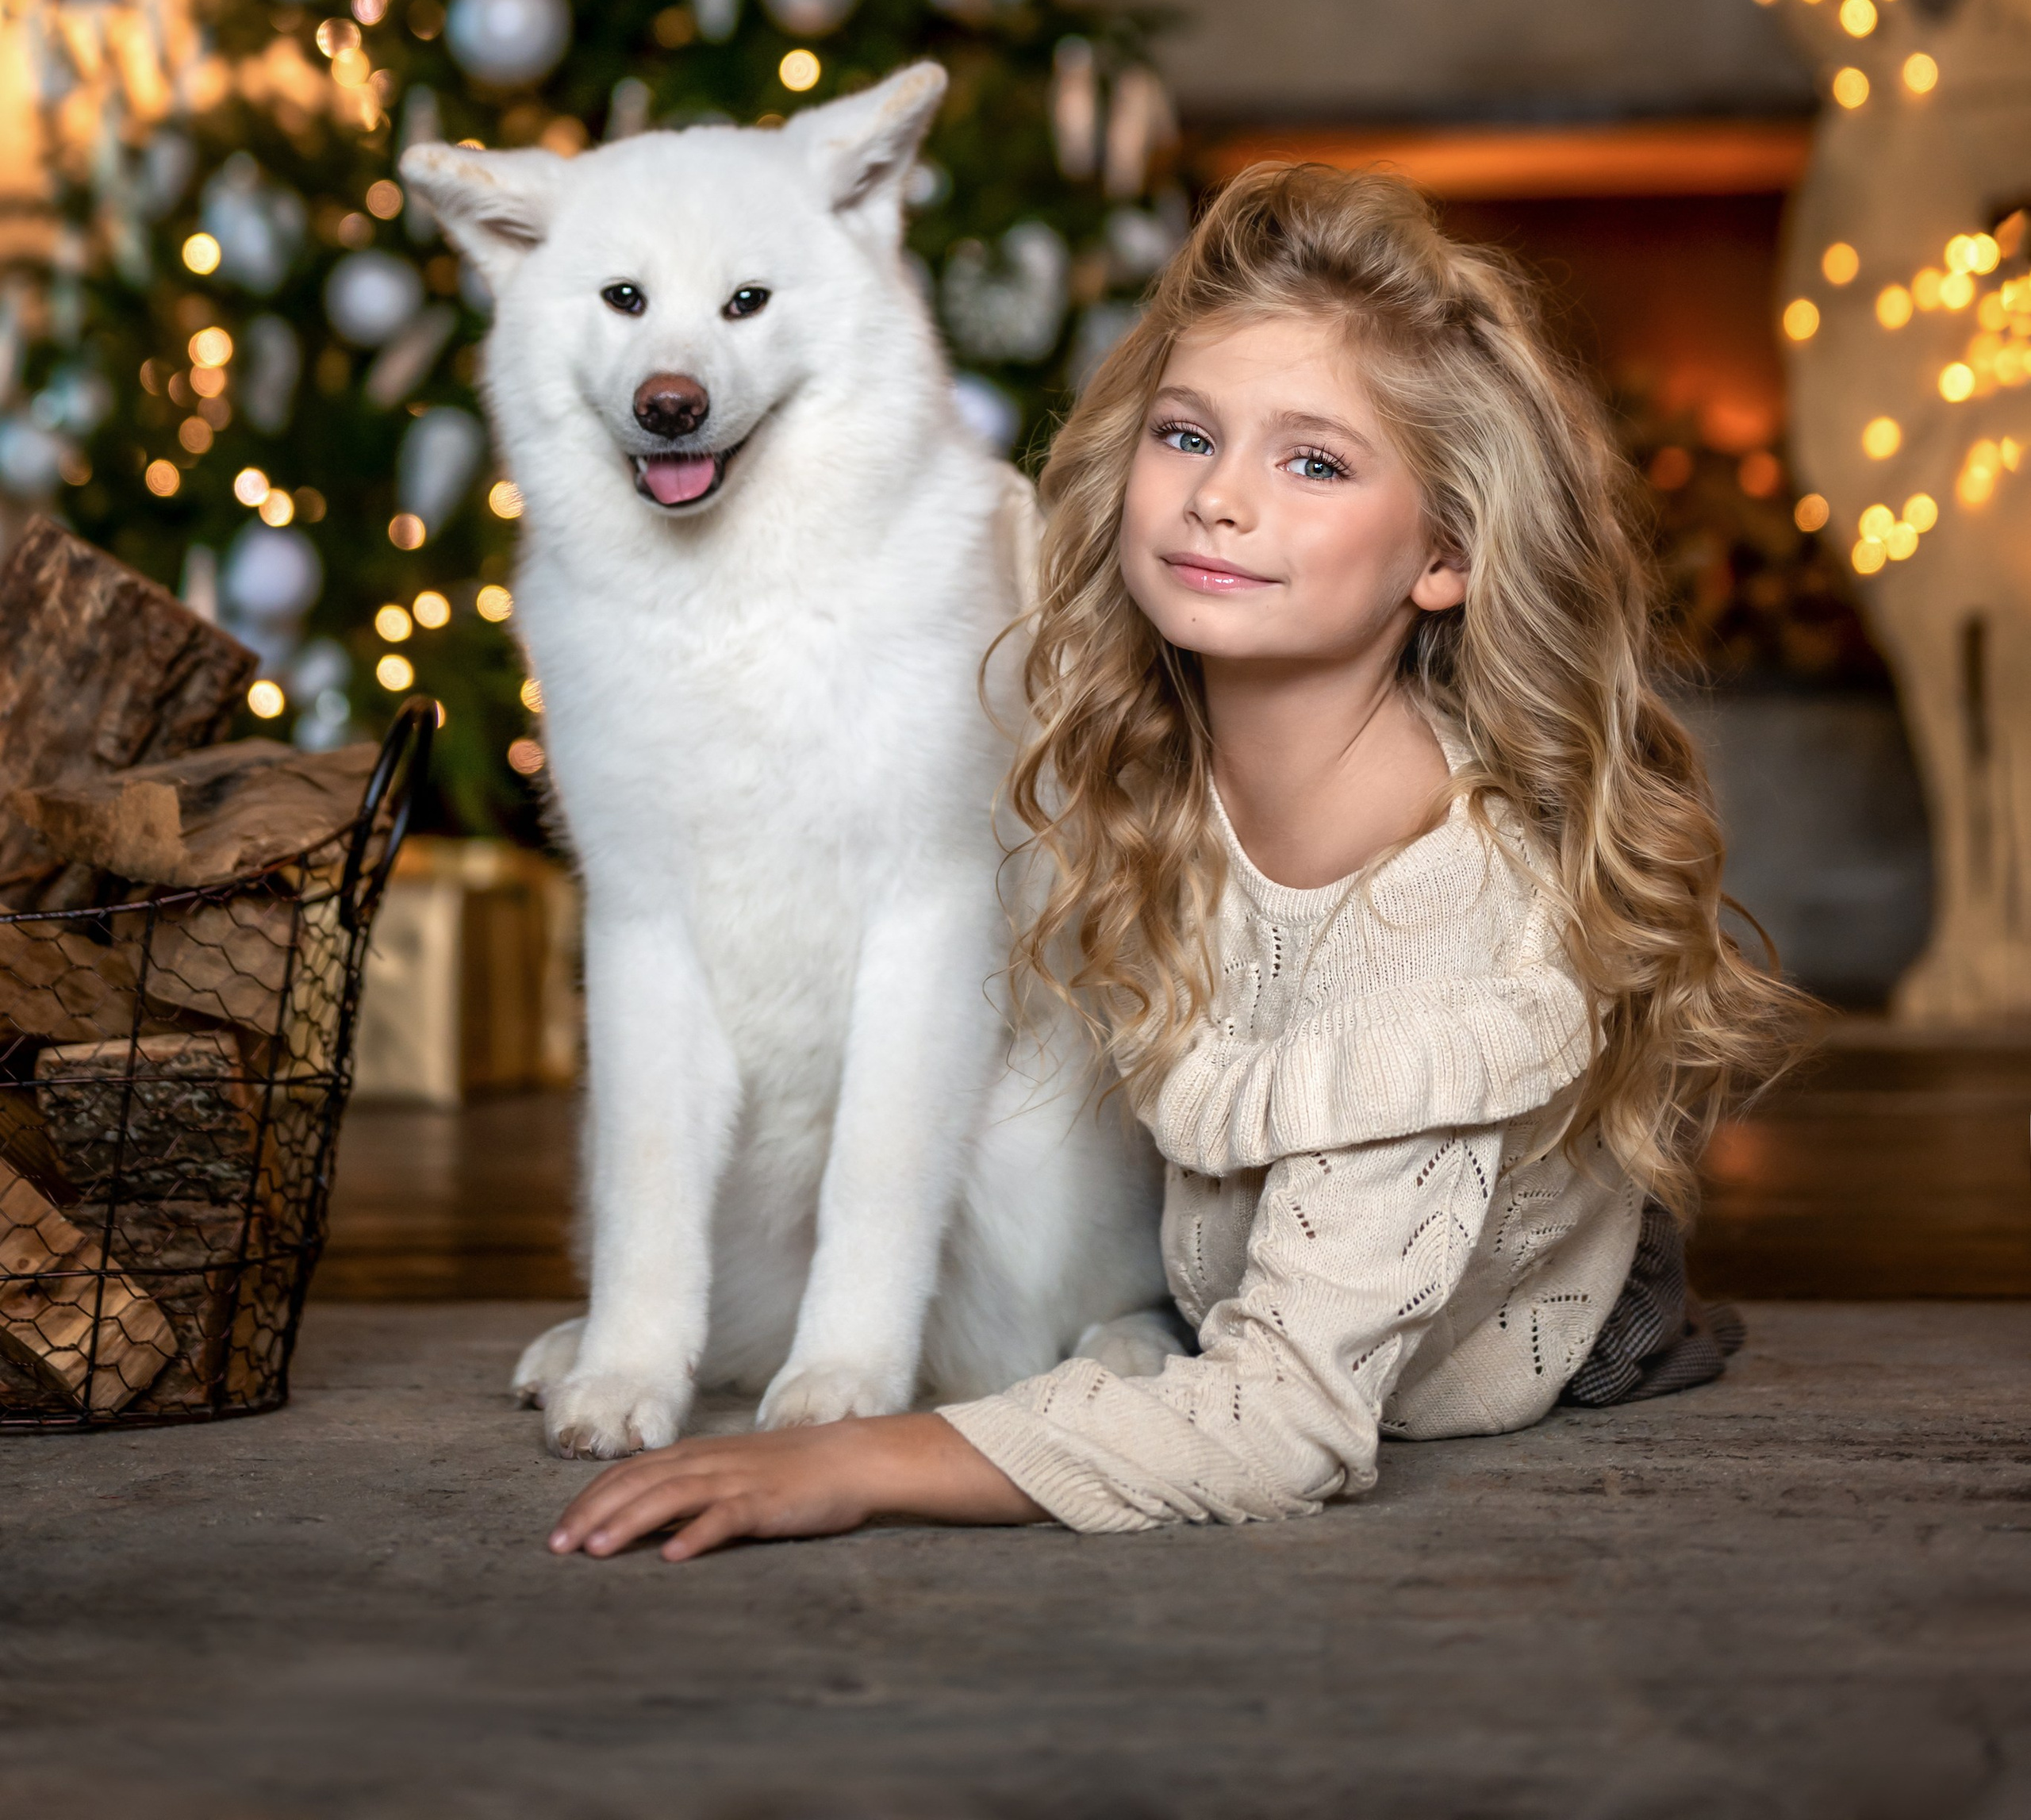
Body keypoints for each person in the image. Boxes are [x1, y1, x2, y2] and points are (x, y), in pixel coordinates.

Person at [548, 163, 1803, 1561]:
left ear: (1445, 553)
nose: (1218, 499)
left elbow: (1284, 1421)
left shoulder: (1442, 926)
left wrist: (862, 1457)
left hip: (1500, 1329)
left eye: (1314, 463)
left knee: (1419, 1273)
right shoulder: (1135, 730)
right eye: (1188, 435)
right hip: (1211, 1264)